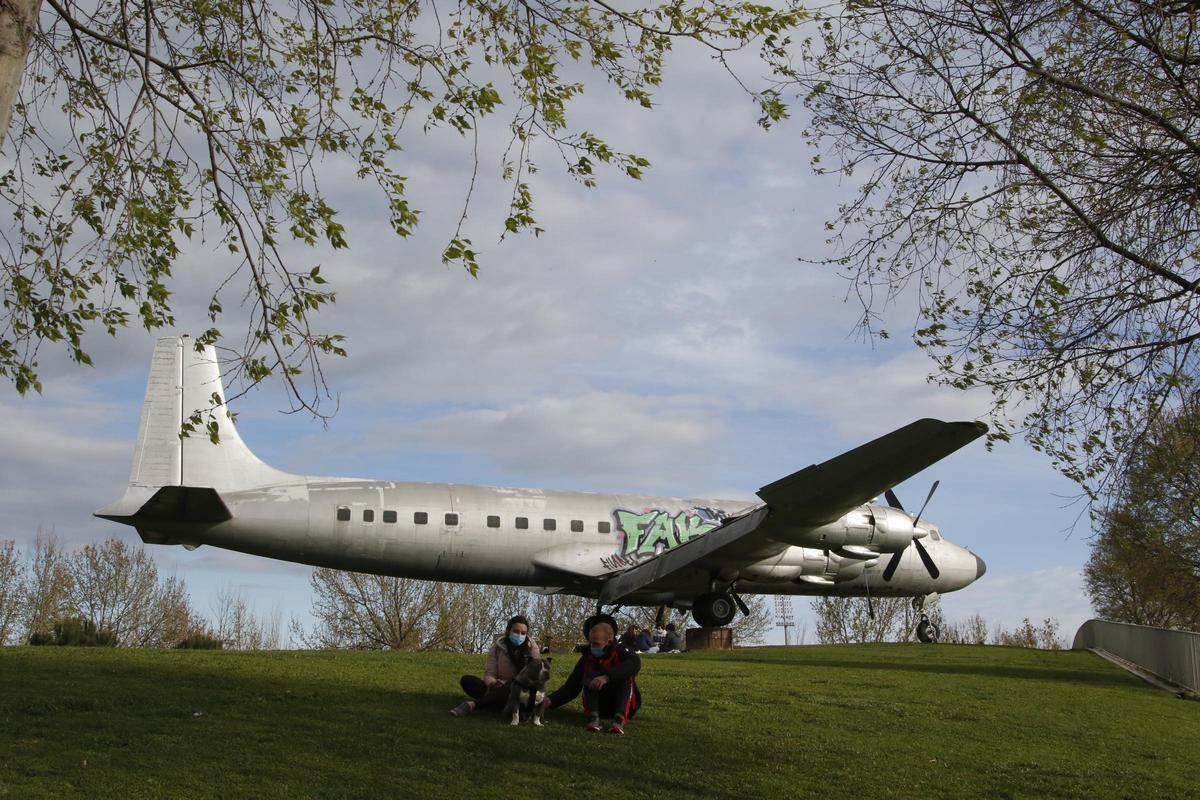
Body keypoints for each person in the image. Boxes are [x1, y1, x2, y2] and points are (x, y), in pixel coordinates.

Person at [541, 613, 641, 735]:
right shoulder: (587, 657)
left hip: (623, 703)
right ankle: (593, 716)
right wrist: (549, 701)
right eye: (591, 643)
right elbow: (571, 687)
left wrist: (606, 677)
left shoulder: (622, 652)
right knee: (589, 677)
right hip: (599, 706)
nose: (593, 647)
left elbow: (634, 663)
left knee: (625, 678)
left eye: (596, 644)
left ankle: (619, 718)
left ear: (609, 642)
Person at [450, 614, 540, 716]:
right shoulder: (497, 648)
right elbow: (490, 672)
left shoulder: (532, 648)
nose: (520, 635)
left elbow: (533, 675)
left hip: (521, 691)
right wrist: (493, 683)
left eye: (523, 633)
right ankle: (495, 702)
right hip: (498, 686)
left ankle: (473, 704)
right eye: (516, 631)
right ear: (508, 631)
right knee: (468, 680)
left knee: (514, 685)